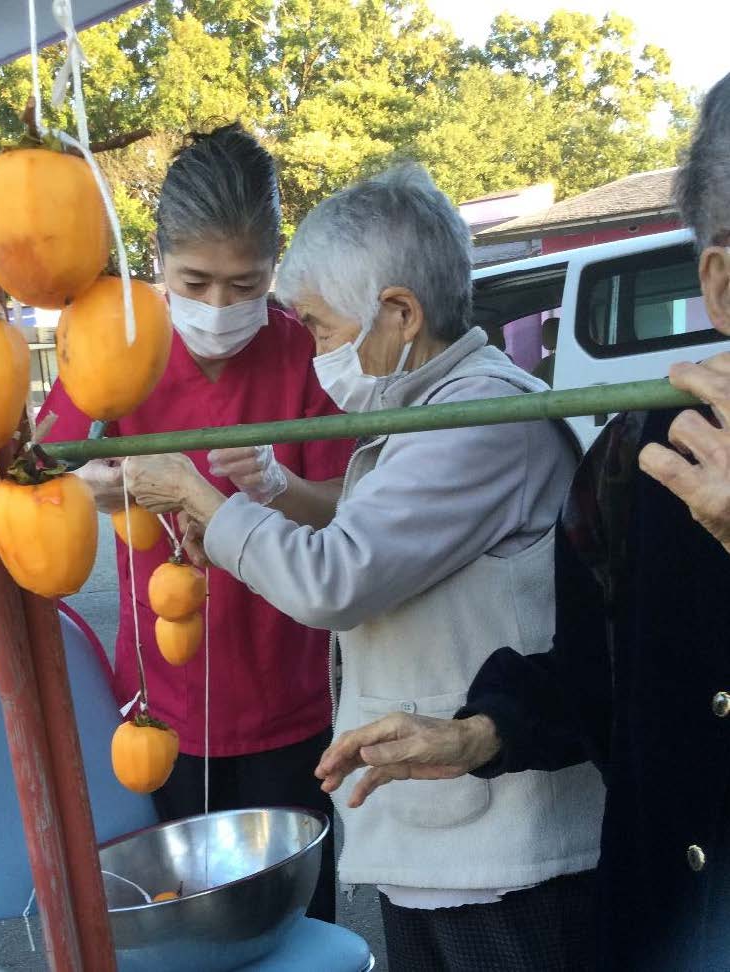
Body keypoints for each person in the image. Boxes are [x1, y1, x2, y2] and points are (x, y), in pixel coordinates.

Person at [124, 162, 605, 971]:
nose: (311, 349)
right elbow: (373, 528)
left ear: (400, 313)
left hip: (498, 845)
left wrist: (197, 496)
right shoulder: (425, 415)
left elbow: (335, 577)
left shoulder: (477, 423)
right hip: (440, 824)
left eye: (318, 326)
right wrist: (273, 493)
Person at [315, 73, 730, 971]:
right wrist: (478, 732)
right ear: (722, 285)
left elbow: (334, 573)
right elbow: (598, 674)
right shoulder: (645, 457)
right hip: (666, 920)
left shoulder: (489, 415)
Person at [38, 122, 351, 923]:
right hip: (159, 706)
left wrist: (282, 487)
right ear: (158, 262)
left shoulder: (302, 352)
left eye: (247, 285)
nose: (220, 307)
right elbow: (38, 471)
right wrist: (91, 484)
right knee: (182, 921)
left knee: (296, 924)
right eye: (198, 280)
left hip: (293, 698)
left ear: (274, 270)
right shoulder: (115, 347)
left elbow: (351, 501)